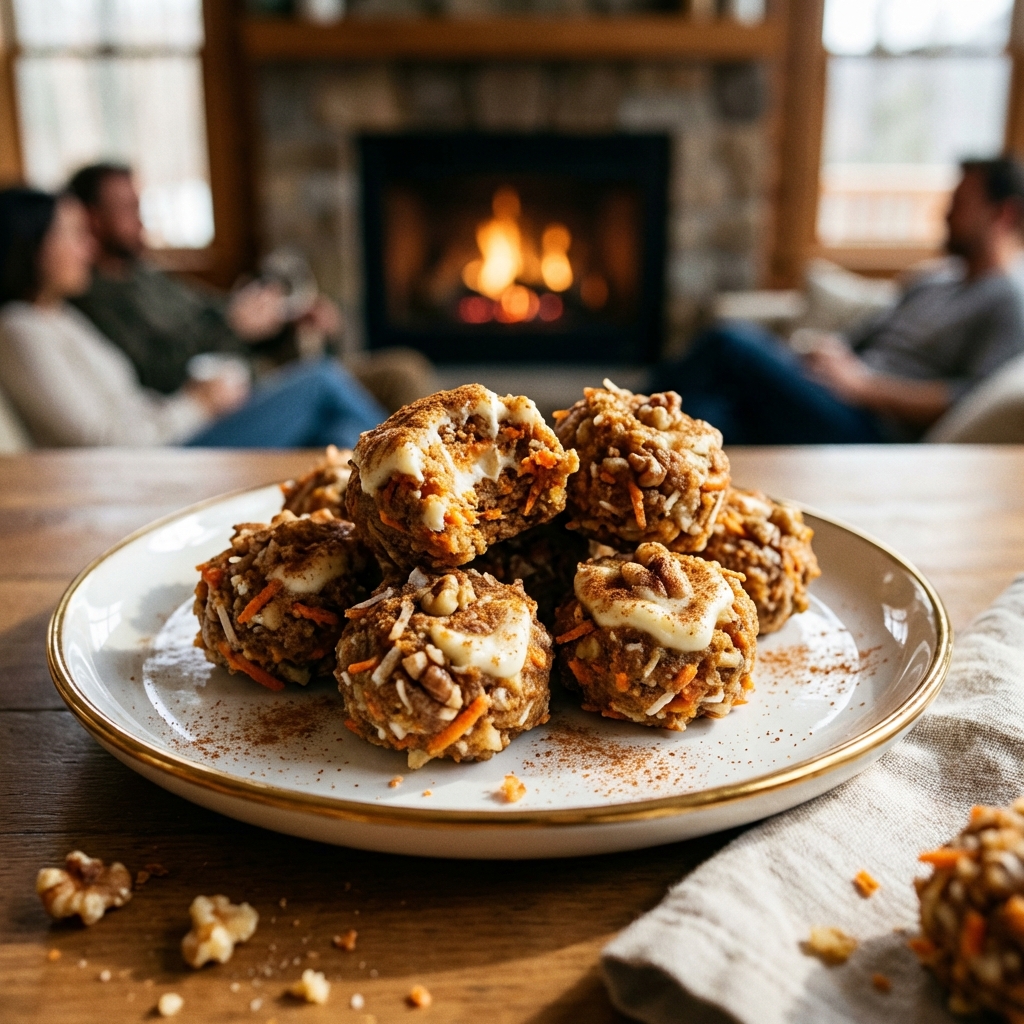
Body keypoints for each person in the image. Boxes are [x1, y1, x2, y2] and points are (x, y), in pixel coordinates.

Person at [650, 158, 1024, 444]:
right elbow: (865, 336)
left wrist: (864, 386)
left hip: (871, 426)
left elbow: (969, 397)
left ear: (1002, 214)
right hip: (834, 394)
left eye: (960, 203)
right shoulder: (933, 280)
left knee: (730, 343)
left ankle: (624, 412)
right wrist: (828, 355)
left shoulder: (1006, 299)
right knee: (713, 415)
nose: (946, 212)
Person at [0, 187, 386, 448]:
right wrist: (197, 404)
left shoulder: (60, 315)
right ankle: (425, 473)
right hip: (164, 457)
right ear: (31, 245)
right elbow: (99, 440)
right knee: (321, 381)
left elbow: (132, 402)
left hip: (176, 430)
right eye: (71, 234)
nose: (87, 247)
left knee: (337, 433)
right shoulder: (20, 330)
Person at [65, 163, 435, 411]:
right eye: (126, 209)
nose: (140, 219)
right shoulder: (94, 298)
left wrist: (287, 319)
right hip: (238, 397)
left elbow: (216, 314)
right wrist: (233, 327)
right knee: (397, 375)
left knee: (404, 368)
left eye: (138, 205)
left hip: (260, 374)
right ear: (93, 219)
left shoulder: (144, 272)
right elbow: (154, 373)